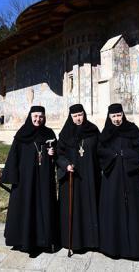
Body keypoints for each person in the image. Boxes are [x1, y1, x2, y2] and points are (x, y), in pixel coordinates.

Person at [98, 103, 139, 259]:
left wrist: (126, 155)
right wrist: (113, 156)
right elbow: (100, 152)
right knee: (114, 210)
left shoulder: (132, 129)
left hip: (130, 177)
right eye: (113, 116)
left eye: (119, 115)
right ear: (109, 117)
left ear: (123, 115)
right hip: (112, 178)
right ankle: (113, 248)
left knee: (133, 210)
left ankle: (134, 248)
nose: (116, 119)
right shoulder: (106, 132)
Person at [1, 106, 58, 253]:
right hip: (25, 180)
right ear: (30, 116)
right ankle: (22, 240)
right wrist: (13, 177)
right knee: (25, 207)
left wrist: (53, 152)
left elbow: (56, 152)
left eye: (41, 116)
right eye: (35, 116)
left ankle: (43, 240)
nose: (38, 119)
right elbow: (14, 156)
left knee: (43, 206)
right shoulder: (22, 133)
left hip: (44, 179)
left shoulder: (49, 133)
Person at [56, 104, 100, 253]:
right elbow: (58, 154)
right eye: (75, 116)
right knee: (74, 209)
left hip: (89, 177)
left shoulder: (93, 131)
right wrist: (66, 165)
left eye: (80, 115)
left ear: (84, 114)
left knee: (88, 206)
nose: (78, 118)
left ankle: (91, 241)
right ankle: (74, 242)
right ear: (70, 117)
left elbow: (100, 151)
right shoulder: (65, 133)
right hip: (71, 178)